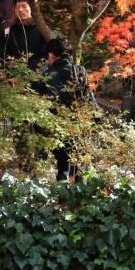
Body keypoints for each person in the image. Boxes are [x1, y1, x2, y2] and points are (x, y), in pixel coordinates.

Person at [43, 38, 79, 181]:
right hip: (79, 119)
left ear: (51, 54)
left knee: (62, 163)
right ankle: (81, 189)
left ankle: (62, 189)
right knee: (78, 160)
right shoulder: (78, 70)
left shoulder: (49, 73)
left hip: (56, 121)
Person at [3, 0, 47, 66]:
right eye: (17, 7)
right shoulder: (9, 30)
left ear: (32, 8)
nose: (20, 10)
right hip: (14, 69)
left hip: (37, 69)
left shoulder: (41, 29)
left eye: (24, 6)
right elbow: (5, 54)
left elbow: (45, 54)